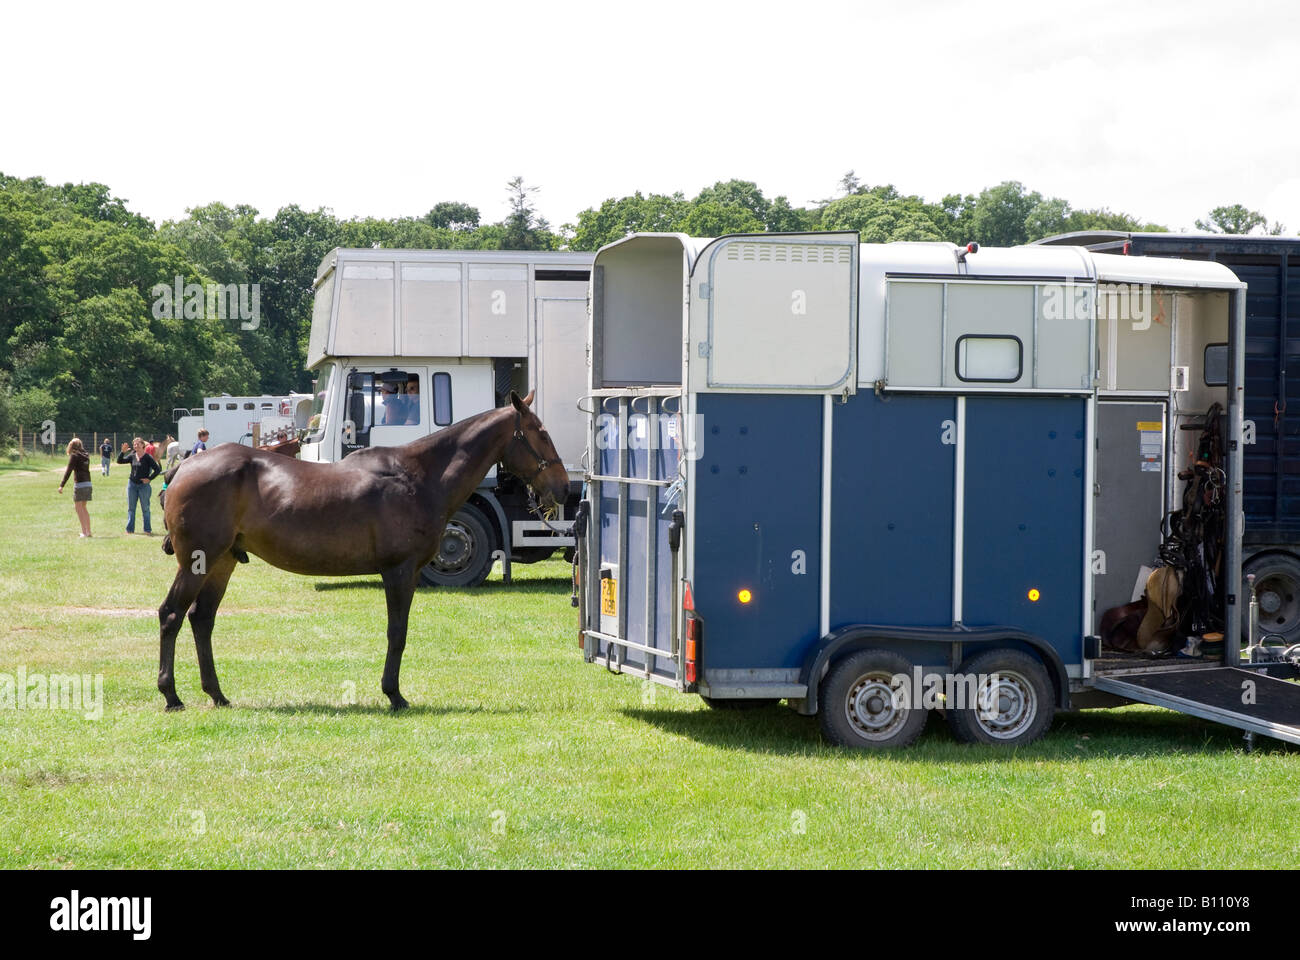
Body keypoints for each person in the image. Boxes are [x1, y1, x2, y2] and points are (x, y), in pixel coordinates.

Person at [117, 437, 161, 535]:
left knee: (145, 508)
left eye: (138, 444)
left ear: (142, 445)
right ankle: (130, 530)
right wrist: (122, 452)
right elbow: (119, 461)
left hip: (143, 486)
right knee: (131, 508)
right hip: (132, 485)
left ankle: (147, 530)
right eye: (134, 444)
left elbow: (157, 470)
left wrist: (149, 479)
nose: (136, 446)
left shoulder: (148, 457)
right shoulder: (132, 456)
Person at [58, 438, 93, 538]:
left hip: (80, 484)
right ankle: (88, 531)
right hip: (88, 484)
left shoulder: (74, 456)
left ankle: (84, 532)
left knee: (78, 508)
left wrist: (61, 485)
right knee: (84, 508)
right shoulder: (86, 455)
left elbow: (68, 471)